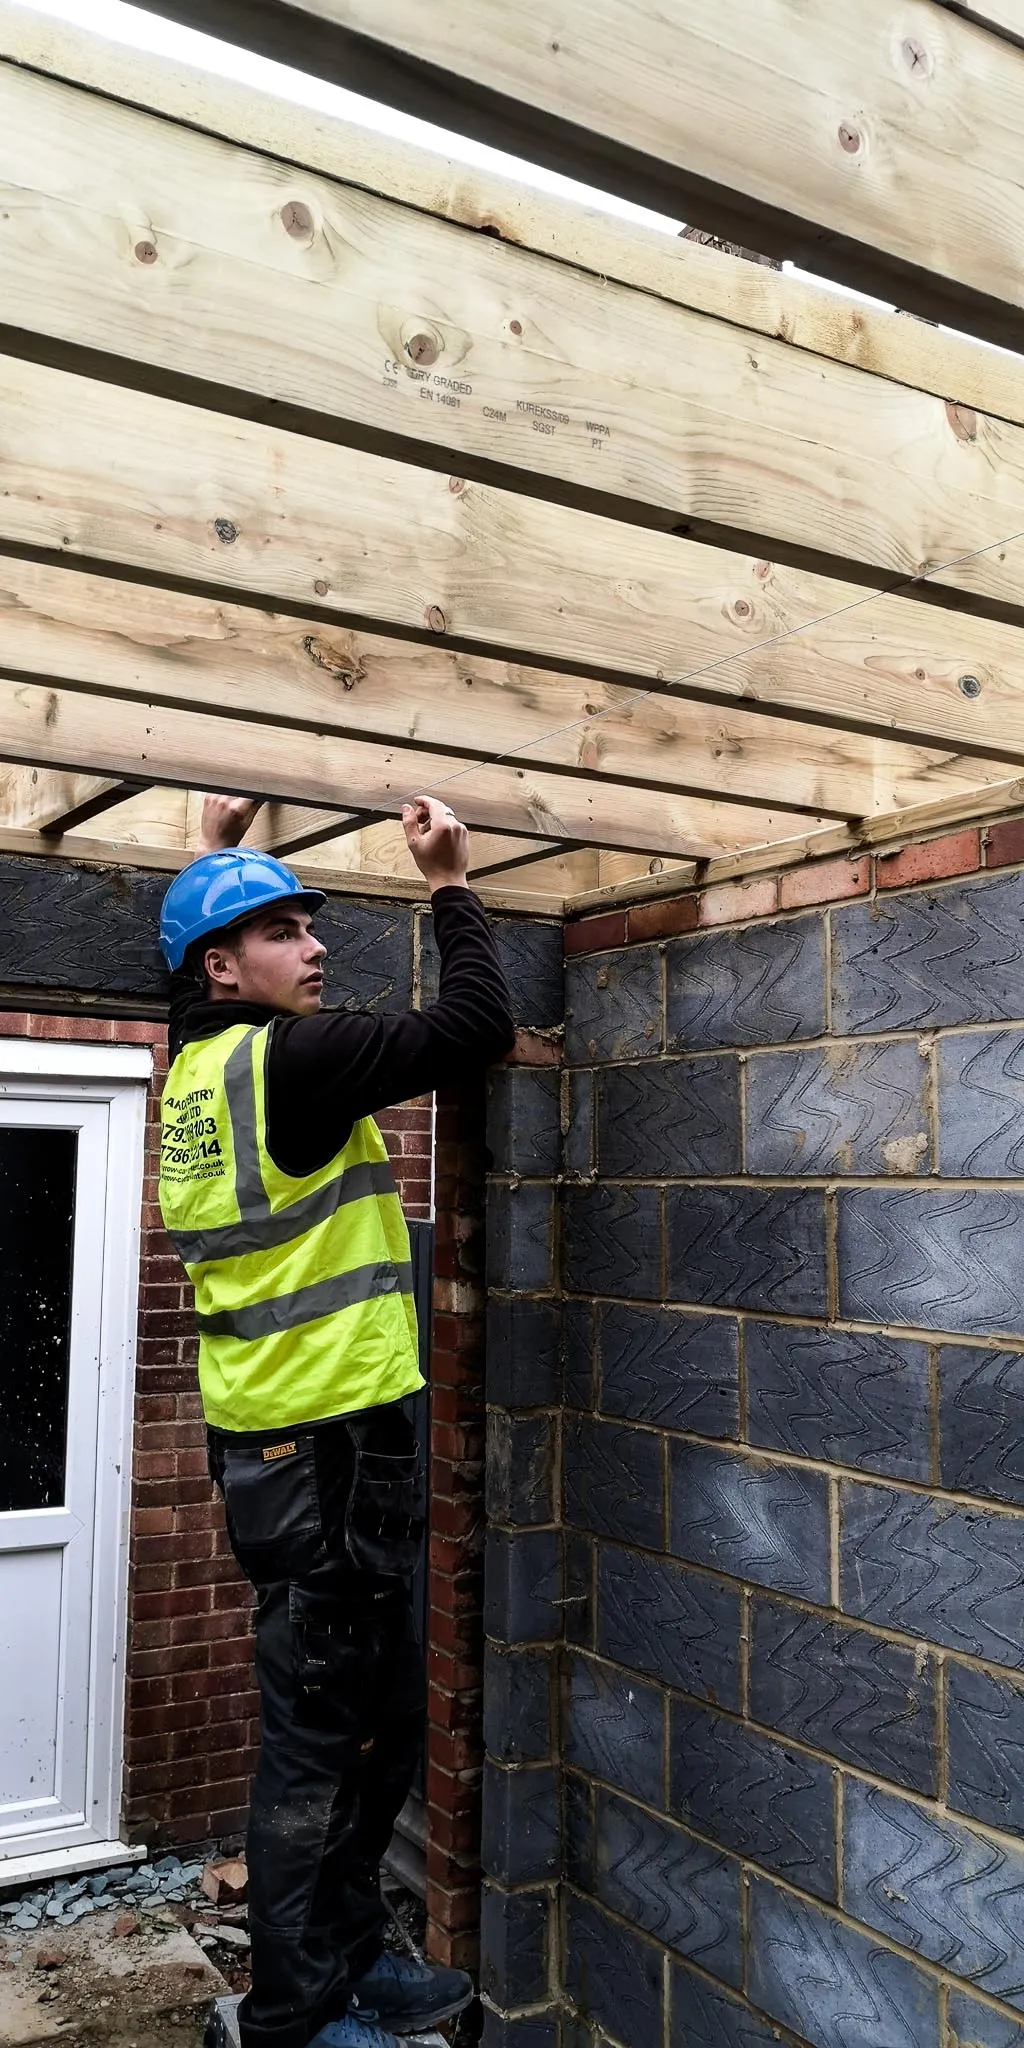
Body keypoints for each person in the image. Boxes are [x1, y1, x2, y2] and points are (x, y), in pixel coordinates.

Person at [157, 793, 516, 2048]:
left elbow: (197, 975)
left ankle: (352, 1956)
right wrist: (453, 883)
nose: (317, 947)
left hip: (289, 1442)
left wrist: (215, 860)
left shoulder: (197, 1067)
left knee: (377, 1717)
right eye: (285, 929)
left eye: (312, 923)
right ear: (224, 965)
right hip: (327, 1448)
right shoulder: (292, 1062)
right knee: (320, 1741)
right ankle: (293, 2015)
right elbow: (477, 1023)